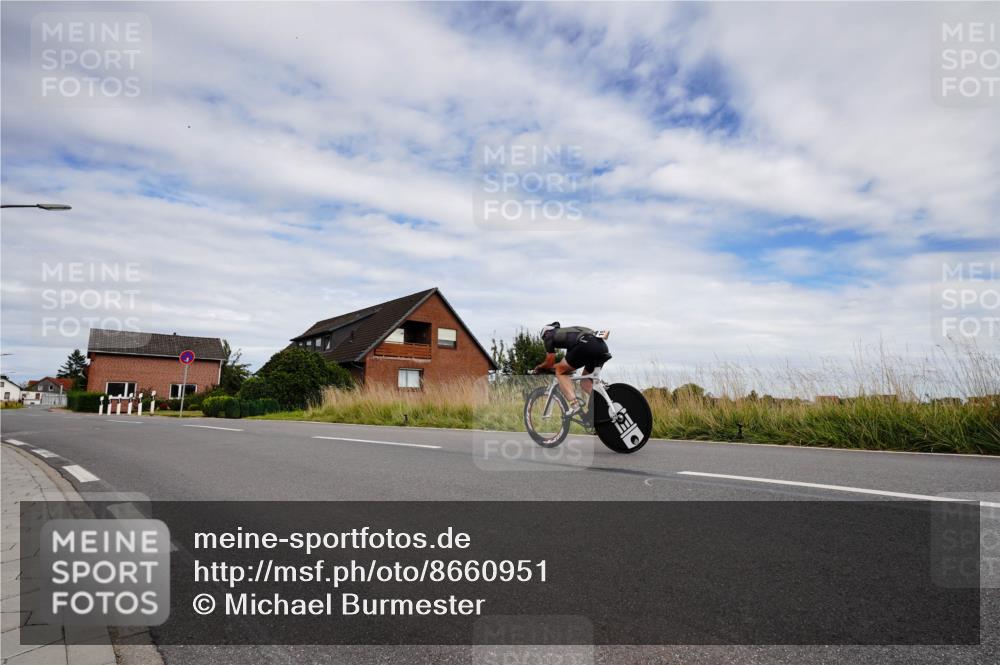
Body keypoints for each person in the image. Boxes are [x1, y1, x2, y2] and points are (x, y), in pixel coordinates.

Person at [533, 322, 611, 417]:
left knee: (560, 370)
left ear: (545, 333)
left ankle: (575, 406)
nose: (544, 341)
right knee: (585, 383)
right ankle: (600, 411)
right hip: (602, 347)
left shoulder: (549, 335)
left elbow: (550, 362)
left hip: (586, 344)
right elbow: (568, 358)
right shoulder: (571, 333)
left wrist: (539, 367)